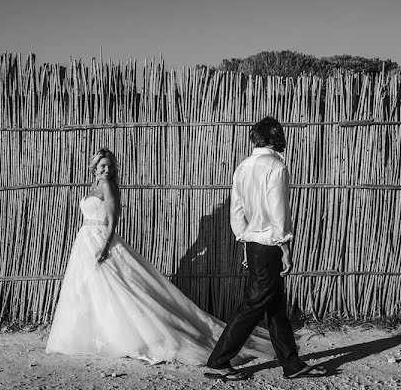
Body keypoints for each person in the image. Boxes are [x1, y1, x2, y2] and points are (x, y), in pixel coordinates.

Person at [45, 147, 274, 366]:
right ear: (93, 168)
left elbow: (113, 220)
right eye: (103, 166)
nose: (107, 170)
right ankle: (92, 333)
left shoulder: (108, 187)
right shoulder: (92, 187)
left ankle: (132, 335)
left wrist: (104, 248)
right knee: (88, 289)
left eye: (110, 167)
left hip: (101, 239)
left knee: (120, 289)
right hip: (84, 240)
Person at [205, 117, 324, 381]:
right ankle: (218, 361)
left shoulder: (243, 167)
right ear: (277, 138)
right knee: (254, 305)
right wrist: (285, 248)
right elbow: (278, 212)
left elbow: (236, 211)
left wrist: (245, 239)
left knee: (276, 307)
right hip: (270, 245)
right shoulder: (276, 167)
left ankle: (292, 365)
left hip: (253, 243)